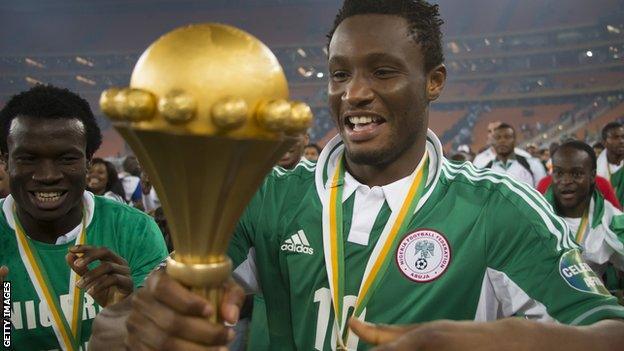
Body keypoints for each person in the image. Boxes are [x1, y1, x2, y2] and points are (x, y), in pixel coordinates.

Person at [93, 1, 624, 350]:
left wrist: (511, 340)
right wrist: (136, 324)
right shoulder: (267, 198)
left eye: (383, 71)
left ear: (433, 81)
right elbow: (156, 307)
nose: (354, 93)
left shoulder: (497, 206)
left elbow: (610, 330)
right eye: (339, 74)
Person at [0, 85, 168, 350]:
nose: (47, 175)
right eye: (28, 158)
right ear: (6, 160)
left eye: (66, 158)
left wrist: (130, 312)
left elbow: (163, 339)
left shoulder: (134, 230)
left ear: (89, 160)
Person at [541, 140, 624, 276]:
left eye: (577, 174)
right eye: (559, 173)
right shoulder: (535, 217)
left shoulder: (611, 219)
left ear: (592, 176)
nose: (566, 181)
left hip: (592, 296)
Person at [597, 122, 624, 206]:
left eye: (623, 137)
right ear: (604, 142)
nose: (621, 141)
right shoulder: (596, 171)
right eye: (616, 137)